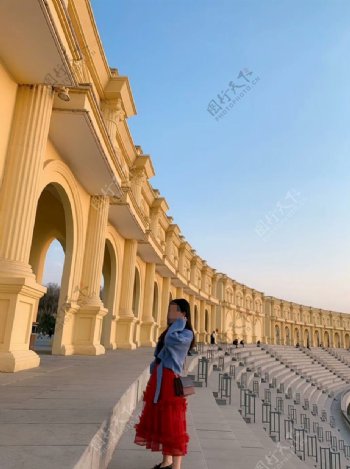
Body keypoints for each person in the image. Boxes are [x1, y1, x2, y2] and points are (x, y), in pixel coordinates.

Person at [134, 298, 195, 469]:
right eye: (169, 309)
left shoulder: (185, 334)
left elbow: (170, 342)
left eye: (174, 309)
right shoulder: (171, 331)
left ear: (183, 313)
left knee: (173, 422)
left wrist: (180, 323)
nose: (169, 313)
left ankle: (176, 466)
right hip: (160, 378)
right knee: (163, 421)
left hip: (171, 380)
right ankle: (166, 461)